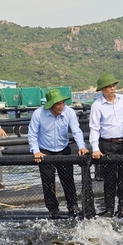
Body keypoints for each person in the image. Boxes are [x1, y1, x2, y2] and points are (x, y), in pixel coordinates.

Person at [28, 89, 89, 219]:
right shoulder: (38, 114)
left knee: (68, 179)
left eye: (63, 103)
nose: (61, 106)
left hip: (63, 149)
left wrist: (81, 146)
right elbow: (32, 134)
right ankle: (53, 209)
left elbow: (76, 130)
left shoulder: (69, 112)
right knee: (48, 181)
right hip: (45, 150)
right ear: (50, 105)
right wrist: (36, 151)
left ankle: (73, 206)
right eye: (58, 104)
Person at [89, 73, 123, 218]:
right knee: (109, 178)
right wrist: (95, 149)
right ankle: (109, 209)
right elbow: (94, 128)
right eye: (108, 86)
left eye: (114, 85)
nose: (112, 88)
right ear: (102, 89)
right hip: (107, 144)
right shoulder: (97, 106)